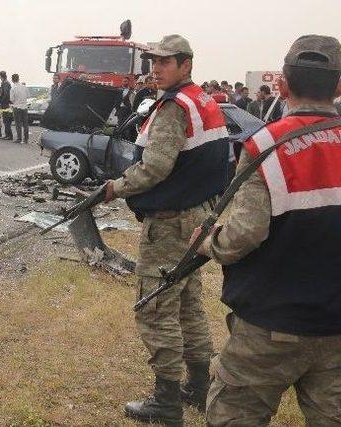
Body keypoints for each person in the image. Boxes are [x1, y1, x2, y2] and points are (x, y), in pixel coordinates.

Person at [191, 34, 341, 427]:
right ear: (340, 87)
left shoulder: (266, 144)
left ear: (282, 84)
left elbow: (244, 235)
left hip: (271, 326)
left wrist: (207, 243)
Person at [103, 34, 229, 425]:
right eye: (152, 61)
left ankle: (167, 401)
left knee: (155, 308)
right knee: (188, 305)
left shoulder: (175, 106)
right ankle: (199, 387)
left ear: (186, 64)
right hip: (198, 216)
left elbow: (155, 168)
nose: (155, 68)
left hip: (173, 223)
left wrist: (115, 188)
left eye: (165, 62)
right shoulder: (203, 100)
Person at [9, 73, 30, 143]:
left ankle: (19, 138)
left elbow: (11, 99)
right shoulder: (24, 87)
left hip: (16, 107)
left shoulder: (12, 88)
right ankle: (26, 138)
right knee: (25, 124)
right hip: (24, 107)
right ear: (18, 79)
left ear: (12, 80)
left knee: (18, 124)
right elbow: (28, 96)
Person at [0, 71, 13, 140]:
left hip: (6, 104)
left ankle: (9, 135)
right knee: (5, 120)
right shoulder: (5, 83)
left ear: (1, 76)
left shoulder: (6, 83)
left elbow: (6, 94)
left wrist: (1, 101)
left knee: (6, 120)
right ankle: (7, 135)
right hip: (5, 103)